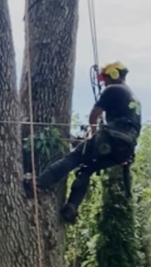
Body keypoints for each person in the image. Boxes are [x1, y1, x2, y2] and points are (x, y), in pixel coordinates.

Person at [25, 61, 142, 224]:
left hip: (112, 137)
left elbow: (94, 116)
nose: (103, 83)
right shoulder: (132, 96)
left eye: (105, 78)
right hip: (125, 149)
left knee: (74, 158)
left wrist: (92, 137)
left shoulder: (113, 89)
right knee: (86, 169)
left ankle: (39, 183)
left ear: (113, 75)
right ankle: (71, 207)